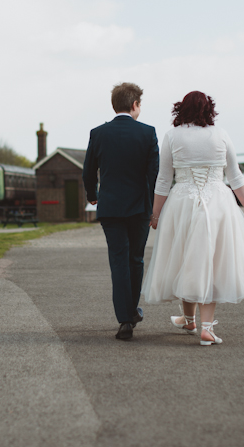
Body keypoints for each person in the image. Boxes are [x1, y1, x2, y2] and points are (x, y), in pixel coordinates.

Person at [141, 91, 244, 346]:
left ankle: (190, 319)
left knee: (186, 259)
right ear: (209, 110)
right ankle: (202, 326)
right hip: (218, 203)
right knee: (210, 262)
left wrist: (155, 214)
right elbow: (236, 177)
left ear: (181, 109)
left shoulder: (172, 136)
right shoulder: (221, 135)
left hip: (182, 203)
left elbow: (164, 180)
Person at [83, 82, 160, 341]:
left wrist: (93, 195)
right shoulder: (148, 133)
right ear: (135, 105)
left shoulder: (98, 133)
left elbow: (88, 170)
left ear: (114, 105)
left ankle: (125, 319)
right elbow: (154, 174)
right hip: (139, 208)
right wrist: (152, 206)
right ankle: (132, 310)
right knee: (135, 260)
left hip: (111, 208)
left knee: (118, 261)